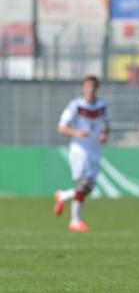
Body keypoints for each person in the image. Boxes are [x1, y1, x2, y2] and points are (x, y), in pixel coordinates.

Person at [53, 75, 110, 232]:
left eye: (93, 85)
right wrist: (77, 133)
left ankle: (63, 196)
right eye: (87, 85)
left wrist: (105, 134)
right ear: (82, 88)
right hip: (80, 150)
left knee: (89, 187)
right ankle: (75, 221)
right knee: (83, 184)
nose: (90, 88)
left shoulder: (102, 105)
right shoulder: (75, 105)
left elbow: (106, 124)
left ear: (96, 87)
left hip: (95, 149)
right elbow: (61, 127)